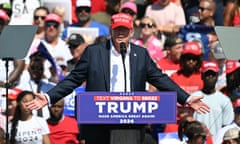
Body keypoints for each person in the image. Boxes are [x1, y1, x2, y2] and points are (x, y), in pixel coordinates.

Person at [27, 13, 209, 144]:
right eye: (117, 30)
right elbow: (73, 79)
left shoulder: (141, 54)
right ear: (111, 32)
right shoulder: (94, 53)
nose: (121, 34)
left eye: (125, 30)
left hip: (130, 126)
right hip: (98, 125)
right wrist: (50, 96)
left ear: (131, 33)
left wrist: (186, 98)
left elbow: (160, 79)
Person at [192, 61, 234, 137]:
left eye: (213, 75)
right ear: (202, 76)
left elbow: (227, 126)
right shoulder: (193, 98)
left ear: (217, 76)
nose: (210, 77)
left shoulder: (225, 100)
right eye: (207, 74)